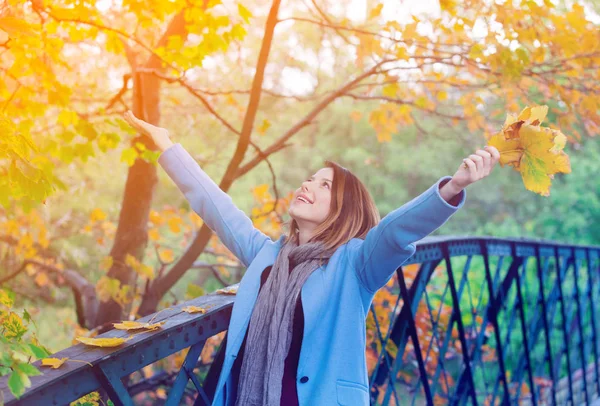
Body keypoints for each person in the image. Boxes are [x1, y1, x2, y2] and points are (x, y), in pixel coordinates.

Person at [123, 110, 500, 406]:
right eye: (310, 179)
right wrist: (168, 147)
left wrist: (452, 187)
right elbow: (218, 209)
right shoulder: (267, 257)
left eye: (325, 185)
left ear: (343, 209)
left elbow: (394, 232)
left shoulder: (355, 265)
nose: (308, 185)